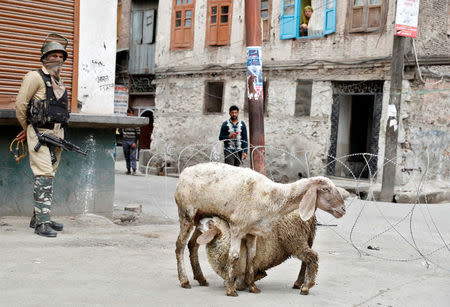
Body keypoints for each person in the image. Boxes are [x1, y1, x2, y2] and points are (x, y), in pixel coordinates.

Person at [15, 34, 69, 237]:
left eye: (61, 56)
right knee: (44, 174)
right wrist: (27, 128)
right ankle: (41, 224)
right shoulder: (34, 77)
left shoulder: (58, 81)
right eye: (53, 55)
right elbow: (21, 105)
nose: (58, 59)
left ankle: (39, 216)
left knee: (50, 176)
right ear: (45, 57)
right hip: (39, 132)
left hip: (57, 134)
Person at [121, 108, 140, 175]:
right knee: (127, 156)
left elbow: (138, 133)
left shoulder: (135, 122)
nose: (130, 115)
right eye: (129, 114)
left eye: (131, 114)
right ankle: (128, 170)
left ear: (133, 114)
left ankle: (134, 170)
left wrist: (135, 142)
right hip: (125, 141)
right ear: (127, 114)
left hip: (132, 141)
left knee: (133, 156)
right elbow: (121, 131)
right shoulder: (125, 122)